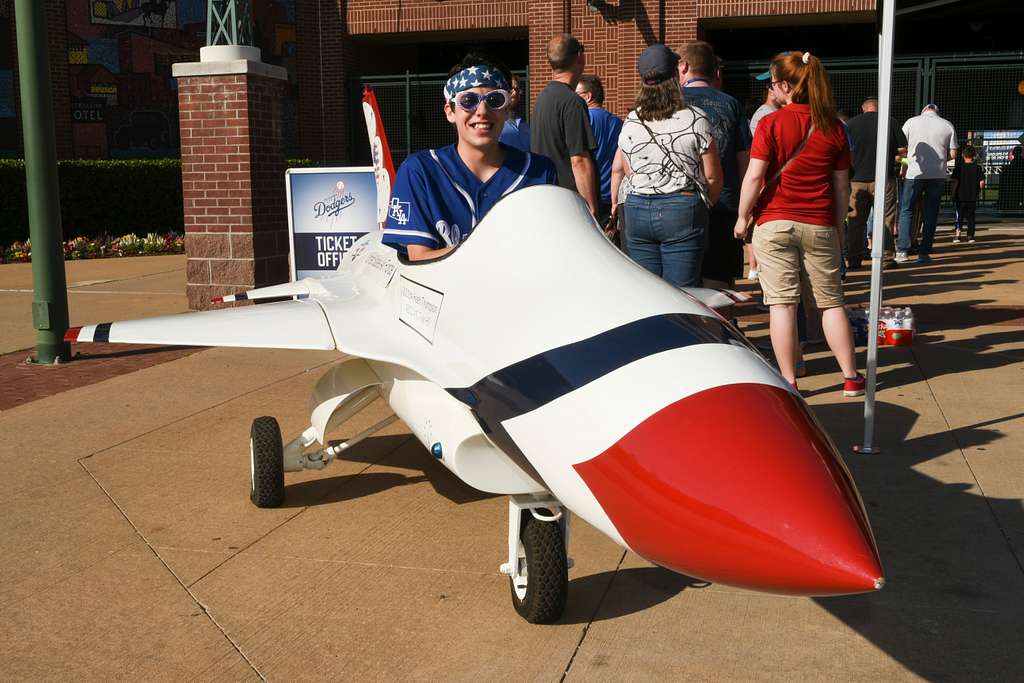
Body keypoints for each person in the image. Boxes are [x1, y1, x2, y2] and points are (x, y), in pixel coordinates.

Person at [732, 51, 863, 396]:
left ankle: (789, 381)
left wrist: (743, 217)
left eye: (774, 83)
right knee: (831, 301)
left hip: (774, 221)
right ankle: (851, 376)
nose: (773, 89)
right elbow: (841, 186)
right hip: (819, 221)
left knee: (781, 304)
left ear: (786, 86)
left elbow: (755, 176)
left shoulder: (770, 124)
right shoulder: (835, 127)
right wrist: (836, 226)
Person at [382, 53, 558, 261]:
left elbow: (550, 252)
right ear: (450, 111)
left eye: (495, 100)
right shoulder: (420, 171)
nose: (482, 111)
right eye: (469, 100)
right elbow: (420, 257)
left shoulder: (539, 171)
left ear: (506, 109)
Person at [615, 44, 722, 288]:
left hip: (637, 209)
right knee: (682, 294)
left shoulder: (631, 121)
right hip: (683, 208)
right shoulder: (696, 118)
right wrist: (702, 206)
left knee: (648, 293)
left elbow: (629, 172)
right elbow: (714, 178)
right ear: (675, 75)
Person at [678, 40, 751, 289]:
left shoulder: (672, 101)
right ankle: (722, 324)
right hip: (725, 201)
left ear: (684, 66)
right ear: (715, 73)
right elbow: (744, 159)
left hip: (681, 199)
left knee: (684, 275)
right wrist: (745, 205)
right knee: (719, 276)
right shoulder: (731, 104)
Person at [531, 34, 600, 216]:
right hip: (570, 204)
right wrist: (591, 208)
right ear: (579, 57)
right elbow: (579, 161)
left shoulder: (541, 99)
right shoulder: (572, 102)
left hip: (546, 197)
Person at [844, 96, 907, 267]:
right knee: (886, 218)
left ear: (863, 108)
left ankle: (853, 258)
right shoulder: (890, 122)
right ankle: (885, 256)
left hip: (856, 179)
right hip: (883, 178)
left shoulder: (851, 124)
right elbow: (903, 150)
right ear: (879, 108)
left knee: (856, 220)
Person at [896, 104, 957, 264]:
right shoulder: (947, 124)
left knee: (907, 210)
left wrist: (905, 164)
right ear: (936, 112)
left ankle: (902, 250)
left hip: (914, 174)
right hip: (937, 175)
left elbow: (902, 149)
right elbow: (953, 153)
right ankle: (924, 252)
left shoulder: (910, 122)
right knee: (931, 213)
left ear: (923, 111)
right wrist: (940, 160)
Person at [575, 74, 623, 226]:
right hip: (613, 196)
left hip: (590, 195)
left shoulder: (584, 119)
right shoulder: (619, 122)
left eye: (576, 95)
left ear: (588, 96)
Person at [951, 145, 984, 243]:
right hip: (972, 196)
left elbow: (954, 181)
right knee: (971, 216)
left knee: (959, 216)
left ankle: (958, 235)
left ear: (962, 155)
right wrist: (979, 191)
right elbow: (982, 183)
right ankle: (970, 236)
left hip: (960, 196)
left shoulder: (958, 167)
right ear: (974, 155)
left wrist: (953, 193)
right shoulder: (977, 168)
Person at [498, 74, 531, 152]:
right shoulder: (495, 123)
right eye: (511, 89)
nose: (515, 93)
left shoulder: (524, 125)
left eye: (517, 89)